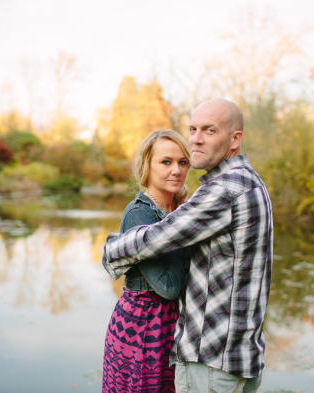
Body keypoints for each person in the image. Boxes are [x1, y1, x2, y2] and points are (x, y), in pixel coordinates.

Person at [102, 99, 273, 393]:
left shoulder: (225, 189)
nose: (196, 138)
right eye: (193, 129)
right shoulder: (249, 181)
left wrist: (112, 248)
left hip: (213, 359)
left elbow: (162, 236)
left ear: (235, 139)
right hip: (231, 356)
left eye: (209, 130)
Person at [102, 129, 191, 393]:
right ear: (147, 166)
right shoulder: (139, 214)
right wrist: (182, 231)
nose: (176, 170)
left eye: (182, 162)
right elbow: (168, 287)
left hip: (172, 324)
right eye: (166, 162)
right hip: (143, 326)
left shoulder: (181, 208)